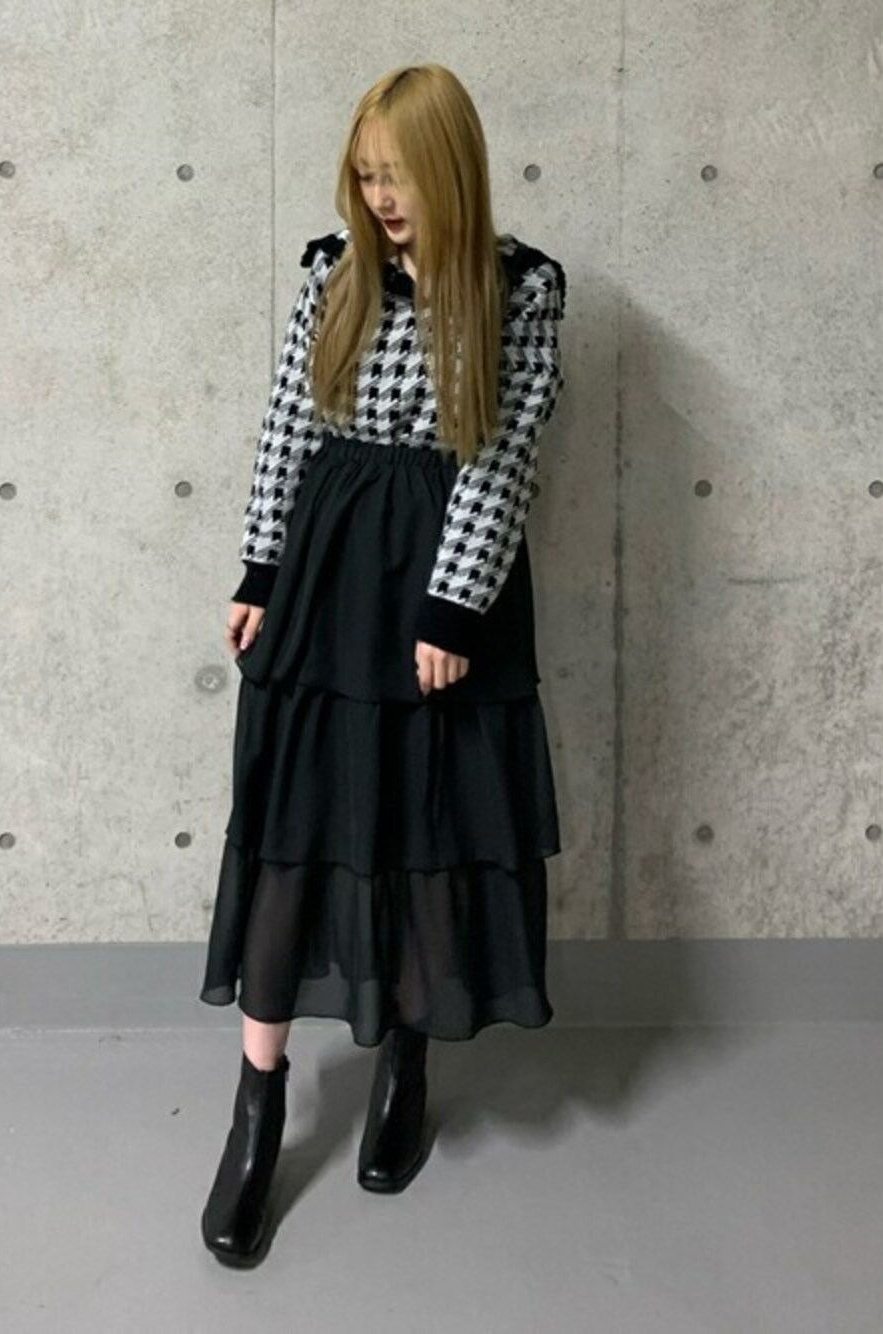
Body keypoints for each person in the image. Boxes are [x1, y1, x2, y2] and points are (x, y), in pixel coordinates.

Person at [199, 62, 567, 1267]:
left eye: (397, 175)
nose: (380, 198)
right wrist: (260, 570)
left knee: (420, 819)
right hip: (327, 566)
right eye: (364, 176)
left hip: (440, 576)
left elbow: (501, 457)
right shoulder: (333, 269)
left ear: (448, 168)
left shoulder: (521, 290)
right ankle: (256, 1109)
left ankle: (405, 1054)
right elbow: (287, 424)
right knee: (292, 825)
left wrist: (453, 609)